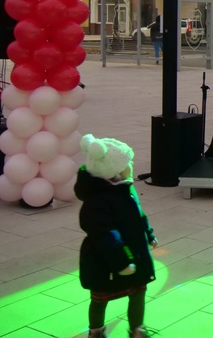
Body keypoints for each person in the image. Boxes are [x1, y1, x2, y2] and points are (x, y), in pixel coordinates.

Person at [75, 134, 159, 338]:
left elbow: (139, 215)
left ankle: (137, 329)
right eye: (127, 163)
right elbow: (104, 234)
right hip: (105, 261)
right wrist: (121, 262)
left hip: (133, 253)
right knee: (100, 298)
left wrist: (149, 234)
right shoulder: (97, 201)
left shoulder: (126, 188)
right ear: (113, 171)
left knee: (138, 291)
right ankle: (96, 331)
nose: (131, 165)